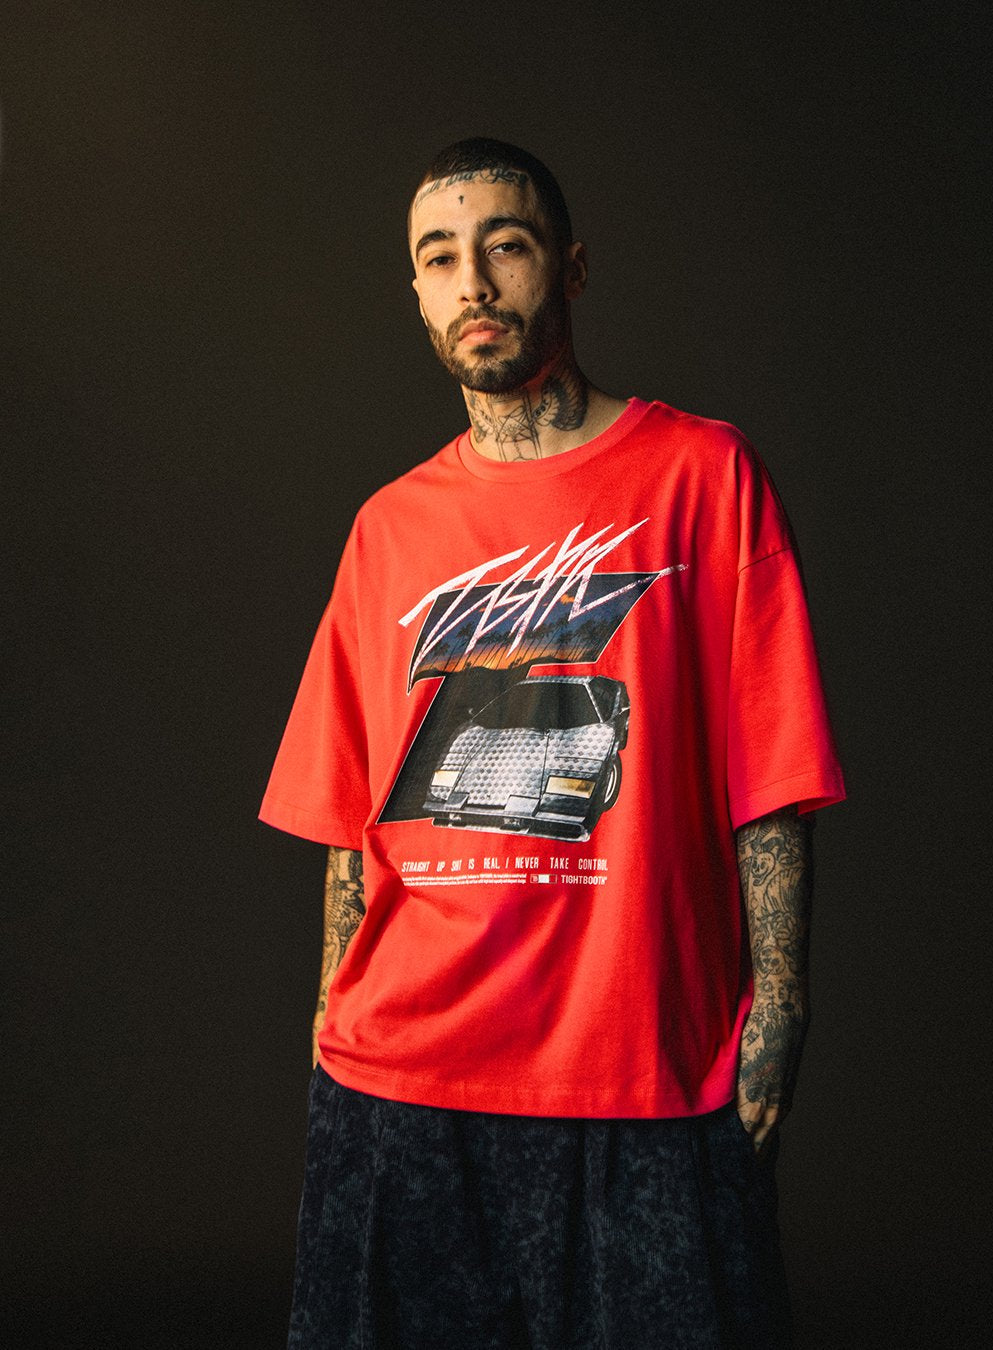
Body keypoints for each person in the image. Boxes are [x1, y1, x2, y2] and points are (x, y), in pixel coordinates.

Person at [260, 137, 845, 1350]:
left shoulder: (704, 477)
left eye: (506, 246)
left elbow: (771, 778)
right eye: (440, 258)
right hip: (403, 1085)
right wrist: (328, 1030)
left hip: (643, 1075)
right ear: (416, 293)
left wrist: (779, 1009)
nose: (474, 282)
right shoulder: (388, 529)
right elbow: (350, 824)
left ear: (570, 268)